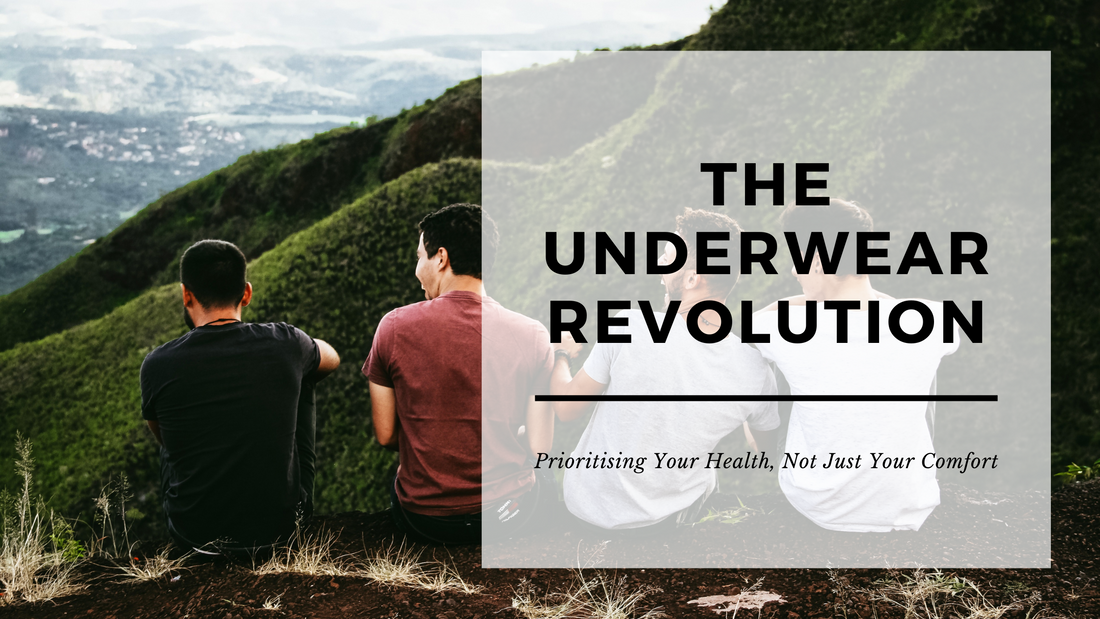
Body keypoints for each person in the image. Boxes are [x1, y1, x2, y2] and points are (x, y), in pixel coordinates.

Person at [550, 208, 779, 534]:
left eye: (669, 255)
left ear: (692, 279)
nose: (660, 262)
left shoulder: (629, 326)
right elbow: (764, 450)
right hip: (669, 522)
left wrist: (560, 354)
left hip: (587, 510)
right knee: (707, 473)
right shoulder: (754, 370)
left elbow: (565, 408)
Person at [753, 198, 958, 532]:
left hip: (819, 504)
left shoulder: (779, 326)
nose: (793, 272)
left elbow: (744, 337)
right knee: (918, 367)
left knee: (765, 368)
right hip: (909, 507)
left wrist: (789, 302)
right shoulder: (935, 318)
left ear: (816, 260)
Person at [364, 203, 555, 545]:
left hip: (424, 520)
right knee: (546, 479)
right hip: (507, 516)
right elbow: (540, 447)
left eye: (419, 257)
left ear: (441, 258)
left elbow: (387, 435)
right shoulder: (534, 335)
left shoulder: (393, 327)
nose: (417, 269)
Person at [140, 240, 340, 552]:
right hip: (280, 529)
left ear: (186, 294)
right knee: (306, 374)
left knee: (172, 431)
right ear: (246, 293)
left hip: (193, 535)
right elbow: (332, 358)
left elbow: (165, 440)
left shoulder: (157, 364)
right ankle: (289, 503)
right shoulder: (286, 342)